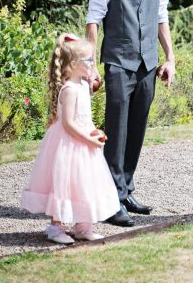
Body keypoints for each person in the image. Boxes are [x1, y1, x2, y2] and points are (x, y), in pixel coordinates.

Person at [85, 0, 175, 227]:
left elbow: (161, 18)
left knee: (136, 131)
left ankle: (125, 190)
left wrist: (170, 58)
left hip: (148, 65)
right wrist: (90, 63)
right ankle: (111, 202)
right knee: (117, 131)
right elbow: (93, 21)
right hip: (119, 63)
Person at [21, 34, 119, 244]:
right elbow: (68, 124)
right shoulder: (69, 90)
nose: (92, 64)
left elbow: (84, 119)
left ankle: (83, 226)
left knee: (84, 183)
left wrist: (95, 132)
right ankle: (56, 227)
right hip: (70, 143)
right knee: (64, 183)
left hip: (83, 141)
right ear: (74, 65)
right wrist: (89, 139)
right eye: (89, 60)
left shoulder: (84, 86)